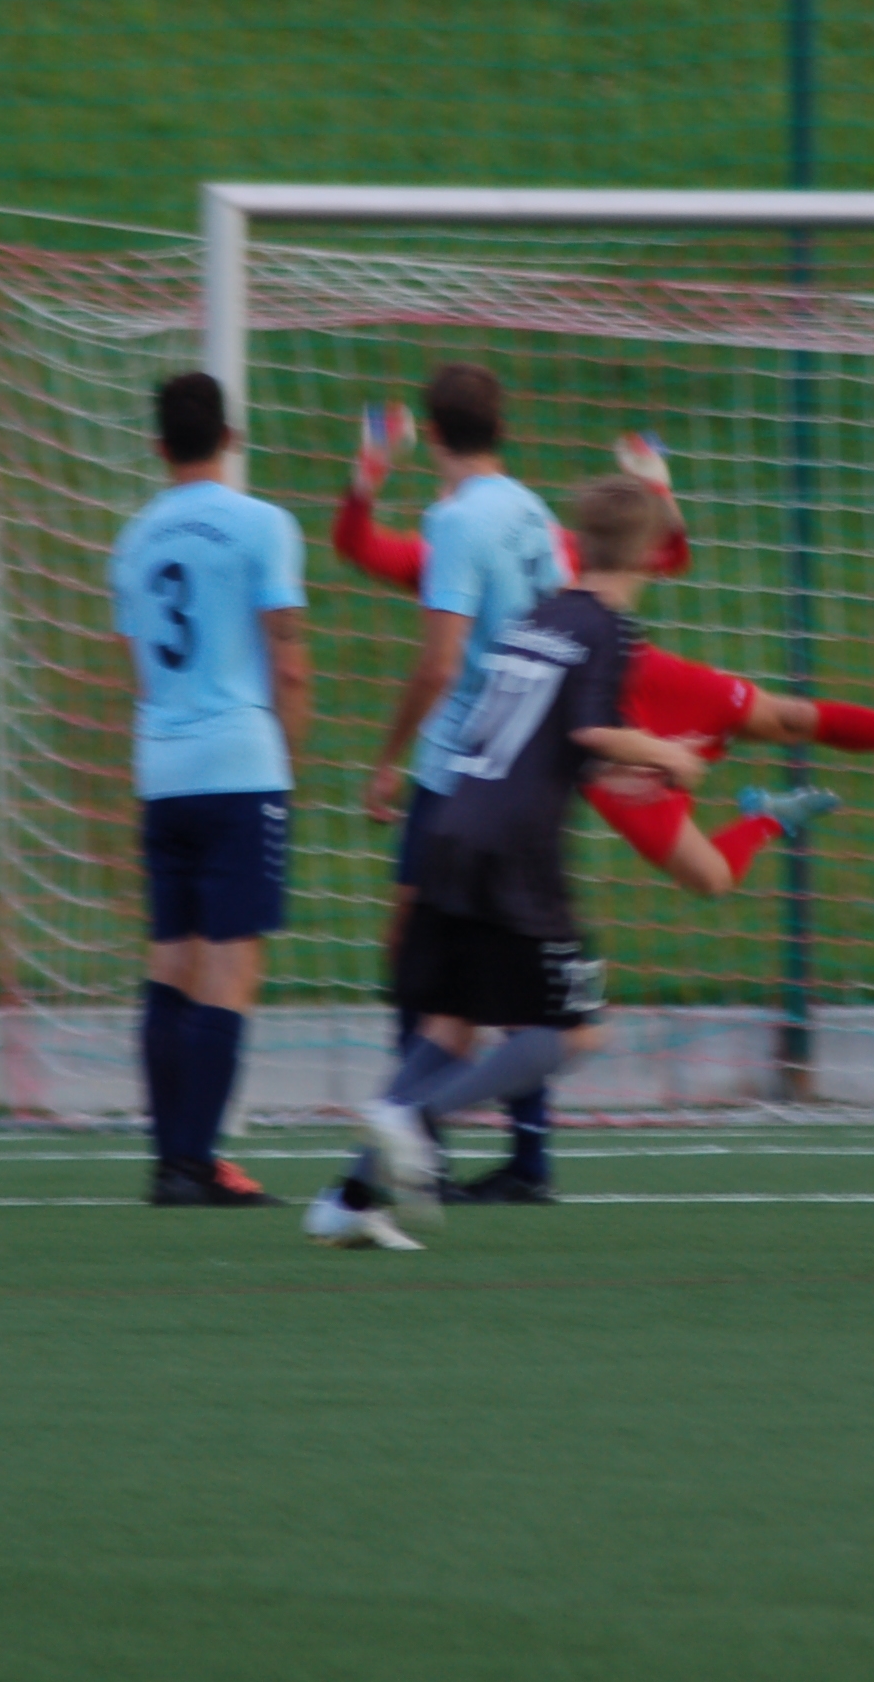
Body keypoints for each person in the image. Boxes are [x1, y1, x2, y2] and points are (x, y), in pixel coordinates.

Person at [336, 413, 874, 898]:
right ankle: (769, 818)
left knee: (783, 716)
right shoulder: (450, 552)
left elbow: (659, 555)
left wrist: (659, 495)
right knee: (710, 879)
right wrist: (367, 476)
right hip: (580, 732)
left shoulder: (537, 532)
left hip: (636, 677)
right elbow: (365, 551)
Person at [307, 475, 727, 1250]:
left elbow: (553, 736)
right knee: (568, 1033)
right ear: (648, 552)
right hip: (516, 851)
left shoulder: (543, 613)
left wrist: (622, 771)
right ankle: (414, 1119)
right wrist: (671, 756)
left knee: (452, 1023)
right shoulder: (608, 628)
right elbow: (595, 732)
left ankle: (349, 1197)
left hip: (456, 824)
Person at [358, 366, 573, 1201]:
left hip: (460, 773)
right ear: (500, 426)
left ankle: (421, 1141)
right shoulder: (534, 514)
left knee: (418, 960)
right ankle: (526, 1157)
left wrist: (386, 757)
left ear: (436, 438)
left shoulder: (454, 521)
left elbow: (441, 660)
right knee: (511, 958)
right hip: (527, 771)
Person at [107, 372, 312, 1206]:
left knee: (169, 965)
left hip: (163, 767)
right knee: (231, 969)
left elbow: (139, 669)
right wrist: (285, 761)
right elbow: (289, 660)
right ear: (232, 436)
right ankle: (196, 1162)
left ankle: (169, 1158)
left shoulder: (132, 541)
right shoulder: (264, 525)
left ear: (158, 448)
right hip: (238, 763)